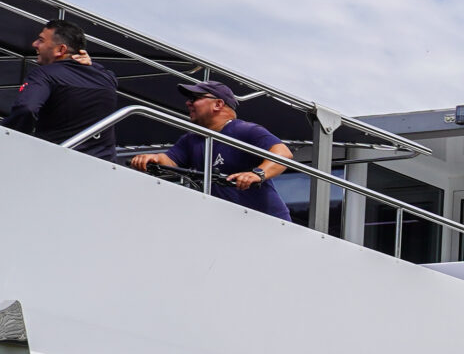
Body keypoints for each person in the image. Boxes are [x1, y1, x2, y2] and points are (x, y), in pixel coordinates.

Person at [128, 80, 293, 220]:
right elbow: (170, 161)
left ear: (218, 104)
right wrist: (153, 158)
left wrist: (258, 173)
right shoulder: (191, 139)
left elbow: (283, 153)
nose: (188, 103)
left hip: (266, 222)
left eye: (194, 98)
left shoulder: (244, 130)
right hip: (226, 221)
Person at [4, 21, 120, 146]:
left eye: (41, 40)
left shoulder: (44, 74)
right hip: (102, 162)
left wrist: (7, 136)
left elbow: (26, 108)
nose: (34, 44)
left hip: (55, 159)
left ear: (61, 49)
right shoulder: (108, 78)